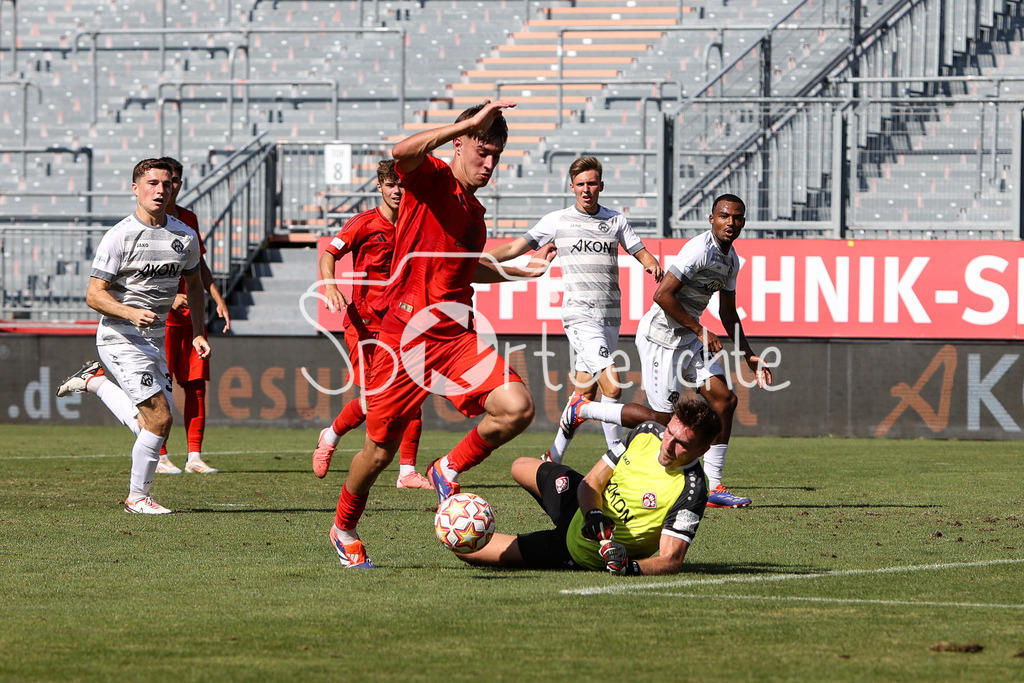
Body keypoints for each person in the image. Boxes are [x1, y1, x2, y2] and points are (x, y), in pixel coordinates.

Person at [328, 100, 555, 568]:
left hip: (454, 337)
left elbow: (467, 270)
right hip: (404, 338)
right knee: (379, 452)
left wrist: (521, 273)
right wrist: (468, 122)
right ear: (459, 143)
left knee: (517, 408)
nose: (488, 164)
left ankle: (446, 467)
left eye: (496, 156)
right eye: (481, 151)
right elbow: (400, 152)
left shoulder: (475, 213)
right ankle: (343, 526)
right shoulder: (430, 177)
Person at [559, 194, 773, 508]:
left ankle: (714, 487)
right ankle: (584, 409)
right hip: (660, 338)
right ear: (711, 219)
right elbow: (662, 294)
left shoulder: (731, 261)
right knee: (663, 420)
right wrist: (700, 329)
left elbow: (728, 313)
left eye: (737, 217)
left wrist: (749, 355)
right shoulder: (699, 250)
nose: (731, 222)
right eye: (724, 216)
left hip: (688, 338)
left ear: (744, 222)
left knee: (725, 400)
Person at [55, 158, 210, 514]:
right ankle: (137, 498)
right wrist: (129, 312)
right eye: (152, 183)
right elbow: (94, 295)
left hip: (154, 339)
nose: (160, 190)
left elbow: (196, 285)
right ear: (135, 189)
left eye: (167, 184)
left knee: (152, 424)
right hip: (119, 336)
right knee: (160, 418)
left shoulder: (184, 235)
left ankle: (95, 383)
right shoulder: (119, 236)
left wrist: (199, 333)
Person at [485, 156, 663, 459]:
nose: (586, 189)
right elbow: (516, 247)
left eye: (591, 183)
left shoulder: (615, 221)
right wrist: (480, 259)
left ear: (601, 186)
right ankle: (615, 454)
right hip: (580, 315)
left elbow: (641, 251)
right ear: (571, 187)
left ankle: (553, 455)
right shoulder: (558, 220)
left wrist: (652, 264)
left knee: (585, 392)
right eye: (580, 184)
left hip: (610, 317)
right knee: (612, 387)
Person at [456, 396, 722, 575]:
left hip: (576, 551)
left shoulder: (693, 490)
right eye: (670, 432)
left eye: (681, 443)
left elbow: (671, 560)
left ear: (702, 449)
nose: (668, 445)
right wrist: (593, 514)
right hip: (583, 506)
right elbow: (592, 481)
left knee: (469, 549)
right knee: (519, 466)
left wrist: (629, 566)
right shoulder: (647, 432)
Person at [312, 159, 431, 489]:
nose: (397, 191)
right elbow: (329, 254)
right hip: (365, 324)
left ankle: (407, 472)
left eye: (402, 185)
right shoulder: (363, 223)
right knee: (376, 400)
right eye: (391, 185)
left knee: (412, 396)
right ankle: (331, 435)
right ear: (379, 187)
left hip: (403, 324)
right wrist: (331, 285)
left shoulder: (416, 225)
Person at [154, 156, 230, 475]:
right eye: (161, 182)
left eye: (172, 181)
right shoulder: (147, 222)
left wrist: (217, 297)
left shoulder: (188, 220)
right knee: (159, 387)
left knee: (196, 386)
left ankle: (194, 456)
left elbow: (198, 266)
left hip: (191, 318)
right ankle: (159, 456)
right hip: (160, 321)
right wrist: (168, 298)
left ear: (179, 184)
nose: (167, 188)